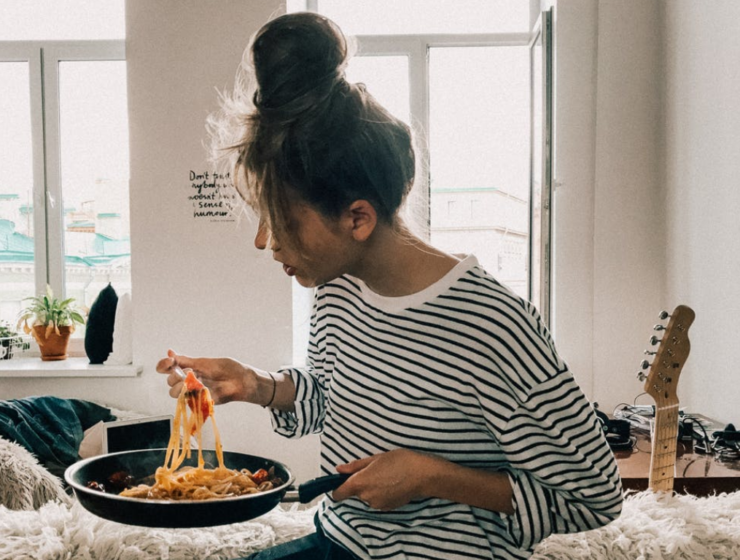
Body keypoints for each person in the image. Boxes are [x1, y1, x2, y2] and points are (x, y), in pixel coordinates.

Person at [157, 11, 623, 560]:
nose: (265, 242)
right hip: (342, 542)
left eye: (280, 219)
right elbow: (329, 400)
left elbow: (594, 498)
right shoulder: (336, 290)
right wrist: (258, 385)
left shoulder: (492, 326)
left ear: (357, 218)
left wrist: (429, 475)